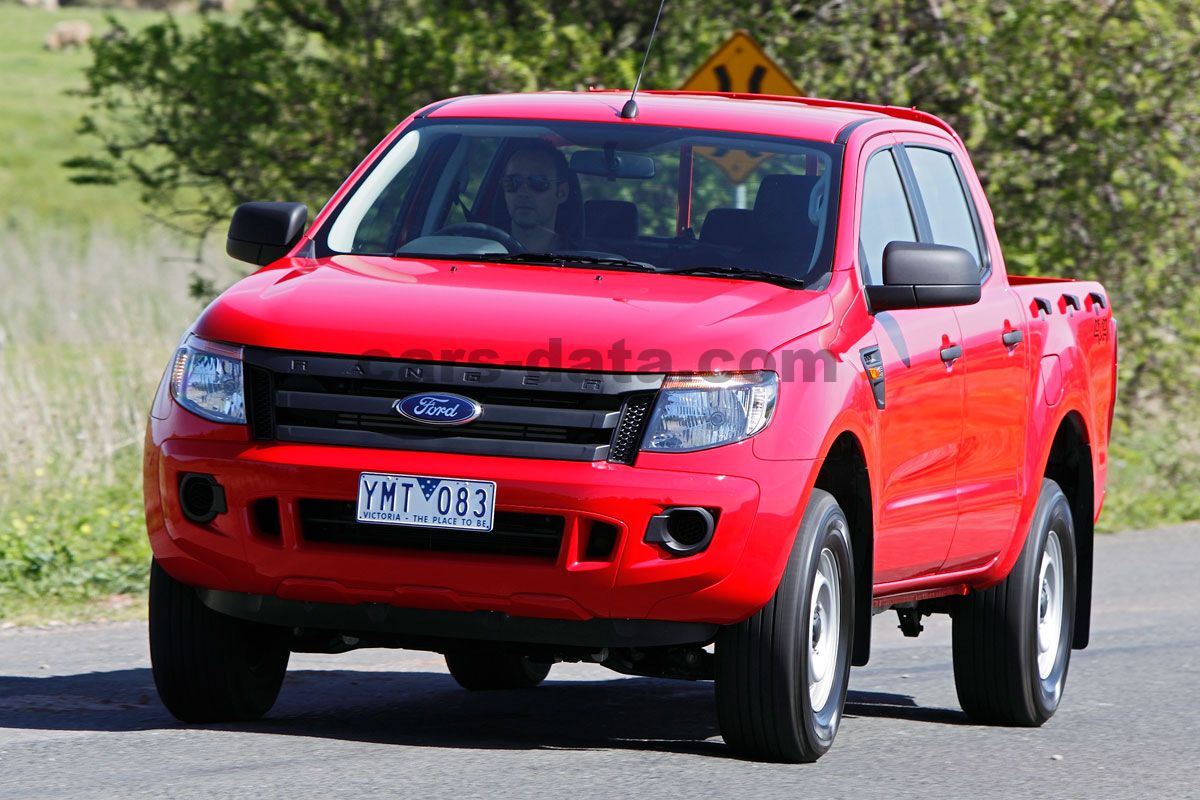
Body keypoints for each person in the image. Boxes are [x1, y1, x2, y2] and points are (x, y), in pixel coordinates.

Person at [501, 140, 572, 251]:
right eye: (513, 182)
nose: (523, 193)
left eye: (537, 182)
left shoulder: (583, 263)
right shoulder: (477, 252)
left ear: (562, 193)